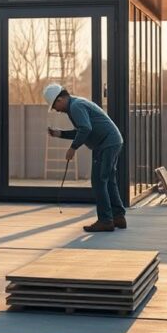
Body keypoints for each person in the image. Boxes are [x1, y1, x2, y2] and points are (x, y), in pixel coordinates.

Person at [45, 84, 126, 232]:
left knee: (99, 181)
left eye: (55, 105)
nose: (56, 110)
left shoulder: (75, 106)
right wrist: (60, 134)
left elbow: (85, 129)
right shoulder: (76, 104)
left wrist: (73, 148)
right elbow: (83, 129)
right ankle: (118, 217)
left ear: (61, 99)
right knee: (109, 181)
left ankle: (106, 220)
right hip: (111, 142)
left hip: (106, 144)